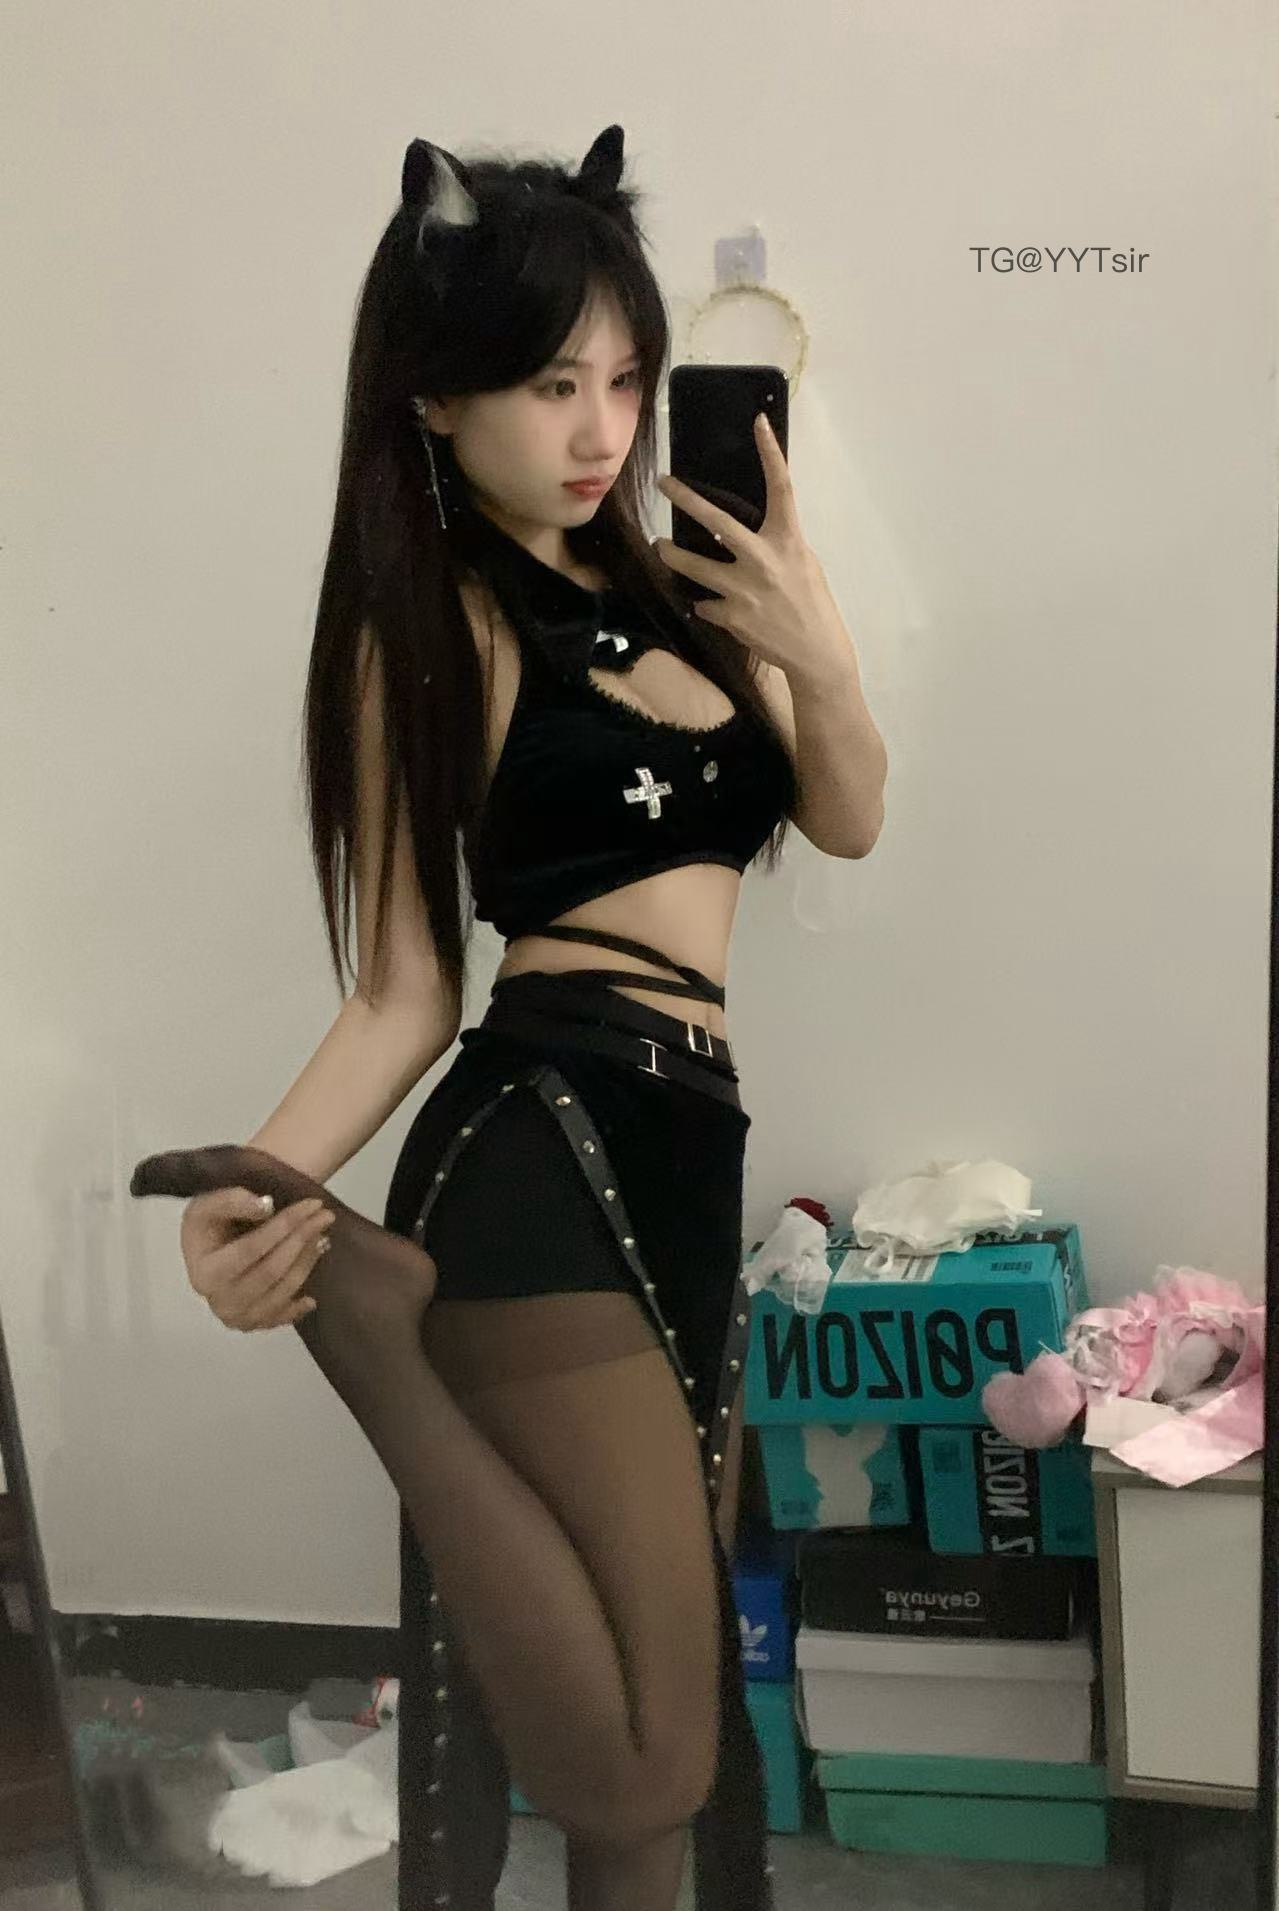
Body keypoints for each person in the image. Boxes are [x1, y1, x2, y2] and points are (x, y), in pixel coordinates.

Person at [133, 124, 831, 1911]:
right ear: (437, 398)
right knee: (638, 1760)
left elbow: (848, 812)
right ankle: (374, 1332)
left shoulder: (680, 586)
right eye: (549, 383)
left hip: (688, 1144)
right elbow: (404, 988)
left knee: (651, 1773)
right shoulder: (433, 623)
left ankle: (383, 1327)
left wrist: (812, 640)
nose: (602, 430)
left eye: (627, 379)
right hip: (544, 1142)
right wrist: (262, 1181)